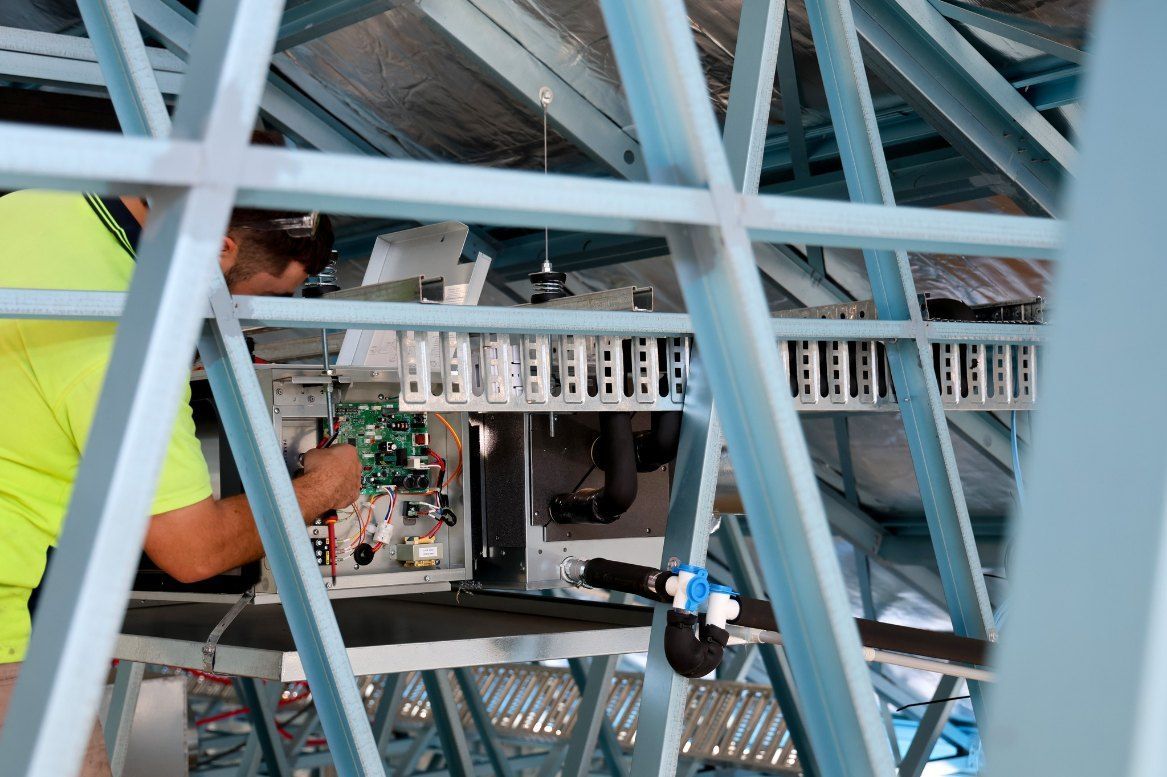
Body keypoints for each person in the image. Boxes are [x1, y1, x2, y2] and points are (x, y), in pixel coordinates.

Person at [0, 187, 361, 773]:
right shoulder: (127, 341)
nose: (246, 318)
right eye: (260, 298)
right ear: (221, 251)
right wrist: (325, 489)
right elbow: (196, 552)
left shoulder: (33, 205)